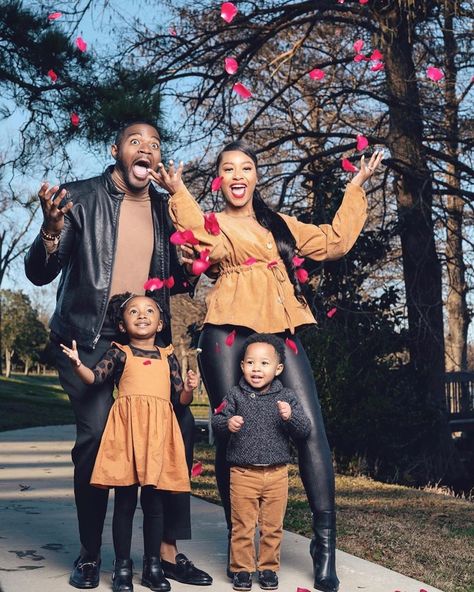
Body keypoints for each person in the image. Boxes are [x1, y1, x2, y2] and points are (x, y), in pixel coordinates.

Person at [150, 140, 383, 592]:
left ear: (257, 177)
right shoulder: (215, 225)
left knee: (311, 429)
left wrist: (356, 184)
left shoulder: (281, 226)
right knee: (229, 431)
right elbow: (196, 233)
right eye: (228, 168)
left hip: (279, 331)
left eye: (247, 166)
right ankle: (244, 549)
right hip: (224, 331)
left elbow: (335, 240)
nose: (238, 174)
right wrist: (178, 190)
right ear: (219, 180)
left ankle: (324, 545)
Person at [24, 121, 212, 589]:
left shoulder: (166, 210)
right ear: (116, 151)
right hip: (87, 338)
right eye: (136, 142)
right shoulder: (80, 198)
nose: (146, 149)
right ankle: (90, 554)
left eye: (154, 144)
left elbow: (174, 278)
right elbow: (39, 274)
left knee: (180, 427)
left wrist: (189, 271)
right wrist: (50, 232)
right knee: (95, 439)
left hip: (144, 340)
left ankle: (167, 551)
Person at [61, 292, 196, 592]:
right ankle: (122, 567)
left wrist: (188, 388)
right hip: (127, 437)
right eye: (133, 311)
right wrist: (77, 365)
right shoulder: (119, 352)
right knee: (124, 503)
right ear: (122, 325)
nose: (142, 314)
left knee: (154, 504)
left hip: (158, 438)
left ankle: (153, 566)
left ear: (161, 323)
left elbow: (180, 399)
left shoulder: (168, 356)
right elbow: (95, 378)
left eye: (150, 310)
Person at [212, 333, 311, 591]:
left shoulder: (286, 397)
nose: (257, 369)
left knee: (272, 527)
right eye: (251, 363)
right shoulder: (235, 394)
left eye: (264, 363)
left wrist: (290, 417)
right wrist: (228, 423)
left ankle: (268, 568)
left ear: (278, 368)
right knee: (242, 526)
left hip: (277, 474)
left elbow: (304, 430)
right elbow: (217, 421)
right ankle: (242, 570)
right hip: (243, 473)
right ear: (242, 366)